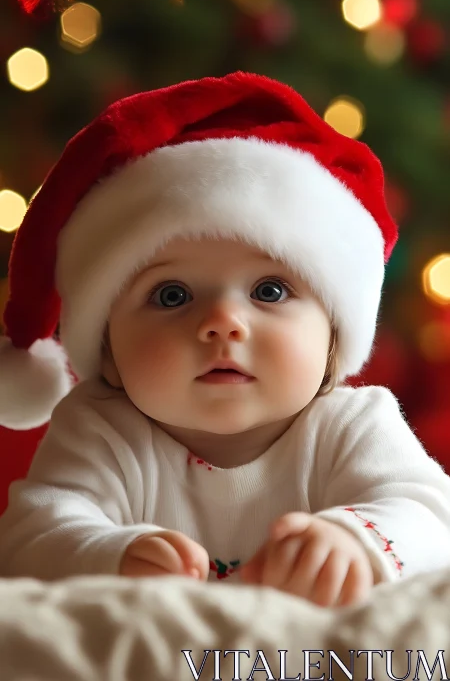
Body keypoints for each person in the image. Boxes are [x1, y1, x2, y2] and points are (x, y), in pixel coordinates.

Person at [0, 71, 449, 607]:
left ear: (332, 339)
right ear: (108, 352)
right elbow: (31, 536)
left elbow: (429, 516)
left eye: (270, 289)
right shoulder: (101, 428)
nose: (222, 322)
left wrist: (357, 540)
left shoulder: (351, 424)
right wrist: (109, 554)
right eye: (171, 295)